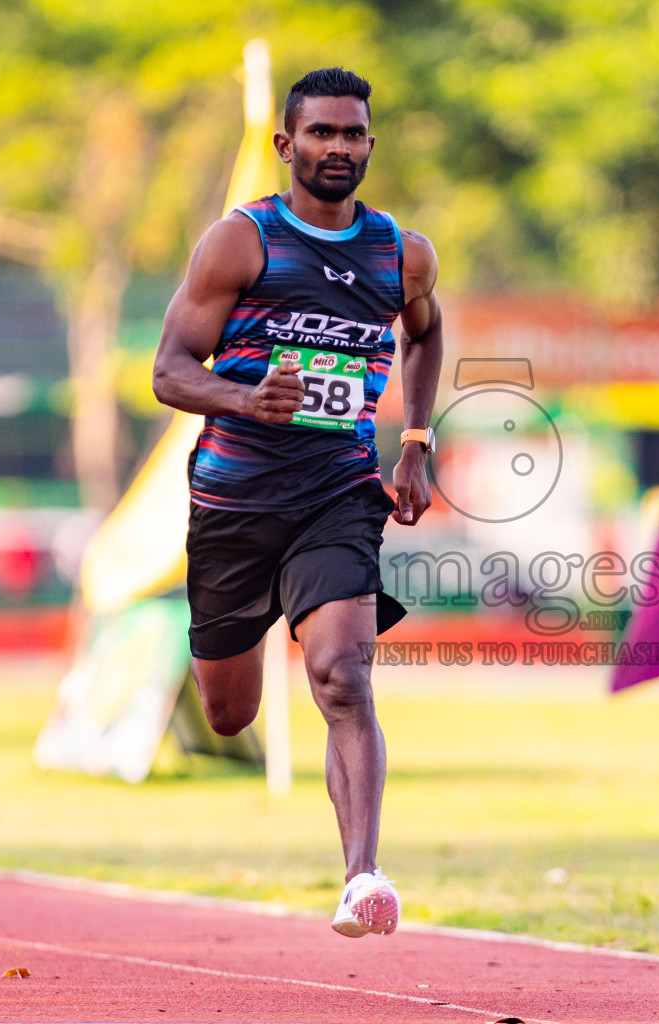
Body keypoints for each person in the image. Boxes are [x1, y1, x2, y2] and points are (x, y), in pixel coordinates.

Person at [151, 67, 443, 938]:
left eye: (354, 135)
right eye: (321, 134)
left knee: (342, 679)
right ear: (287, 145)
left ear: (370, 145)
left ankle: (364, 878)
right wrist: (246, 401)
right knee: (229, 710)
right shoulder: (241, 244)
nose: (339, 149)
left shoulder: (402, 252)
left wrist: (417, 444)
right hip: (235, 501)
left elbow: (426, 331)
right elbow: (168, 370)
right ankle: (248, 633)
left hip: (338, 490)